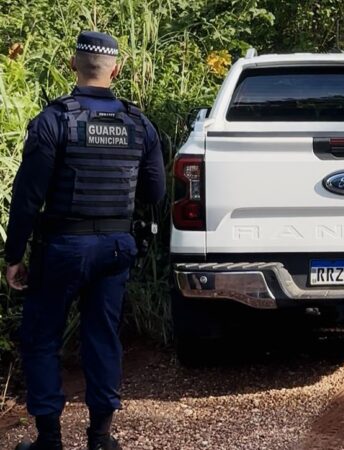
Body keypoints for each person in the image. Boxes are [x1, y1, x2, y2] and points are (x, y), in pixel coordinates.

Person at [4, 31, 166, 450]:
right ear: (117, 69)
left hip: (62, 248)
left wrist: (14, 255)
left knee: (42, 338)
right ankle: (101, 438)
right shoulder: (139, 124)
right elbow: (155, 193)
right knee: (103, 337)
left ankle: (49, 440)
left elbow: (27, 197)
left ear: (73, 64)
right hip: (115, 247)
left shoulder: (54, 120)